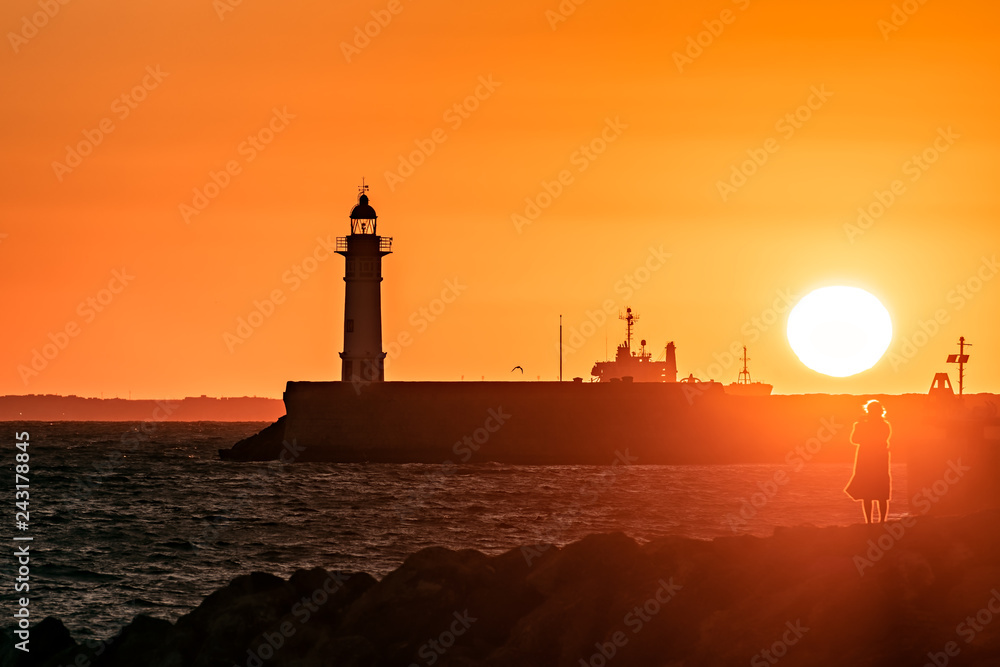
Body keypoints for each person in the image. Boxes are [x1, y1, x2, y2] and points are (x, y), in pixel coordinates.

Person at [844, 399, 892, 524]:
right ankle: (877, 521)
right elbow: (855, 439)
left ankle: (872, 522)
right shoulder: (883, 425)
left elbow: (856, 440)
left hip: (872, 458)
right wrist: (859, 426)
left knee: (874, 493)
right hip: (872, 458)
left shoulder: (882, 425)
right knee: (874, 492)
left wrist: (860, 426)